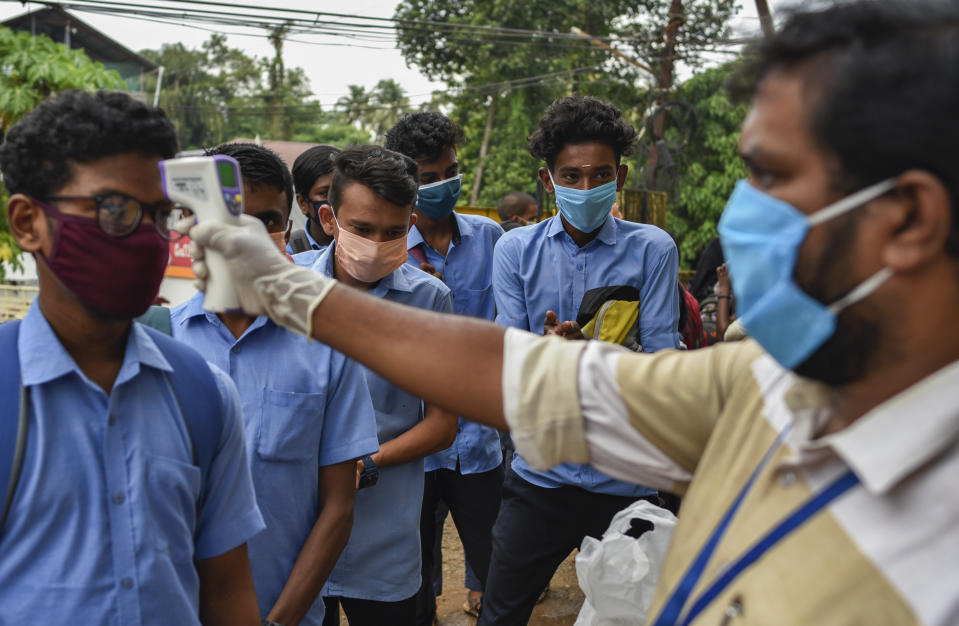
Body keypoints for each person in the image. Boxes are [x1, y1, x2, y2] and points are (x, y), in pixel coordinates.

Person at [182, 1, 959, 622]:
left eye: (771, 176)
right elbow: (517, 371)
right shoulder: (763, 389)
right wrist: (287, 288)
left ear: (906, 219)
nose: (738, 217)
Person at [0, 90, 265, 625]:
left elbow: (227, 589)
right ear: (28, 222)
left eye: (160, 214)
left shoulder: (204, 394)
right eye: (114, 209)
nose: (148, 238)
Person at [487, 95, 679, 624]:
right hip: (542, 475)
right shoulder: (515, 251)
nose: (586, 189)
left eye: (599, 175)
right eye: (571, 176)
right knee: (501, 613)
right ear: (549, 181)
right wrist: (545, 354)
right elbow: (509, 356)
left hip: (627, 477)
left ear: (619, 176)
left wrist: (594, 359)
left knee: (637, 611)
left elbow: (664, 362)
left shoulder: (653, 249)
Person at [171, 142, 379, 626]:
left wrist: (280, 620)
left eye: (265, 220)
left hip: (286, 611)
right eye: (231, 216)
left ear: (286, 228)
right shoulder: (161, 344)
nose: (247, 235)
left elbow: (337, 509)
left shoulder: (329, 346)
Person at [309, 146, 458, 626]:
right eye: (362, 229)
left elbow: (441, 424)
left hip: (385, 532)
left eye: (394, 232)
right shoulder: (284, 289)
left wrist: (365, 465)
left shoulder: (428, 300)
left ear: (411, 222)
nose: (376, 244)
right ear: (330, 219)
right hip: (298, 528)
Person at [384, 112, 505, 624]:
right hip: (411, 440)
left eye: (448, 172)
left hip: (478, 439)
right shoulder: (384, 251)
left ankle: (485, 598)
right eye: (426, 177)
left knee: (497, 563)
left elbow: (505, 328)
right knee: (412, 571)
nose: (441, 185)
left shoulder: (492, 240)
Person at [289, 144, 339, 261]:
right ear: (303, 203)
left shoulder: (363, 246)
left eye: (342, 192)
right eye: (325, 193)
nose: (336, 200)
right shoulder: (289, 253)